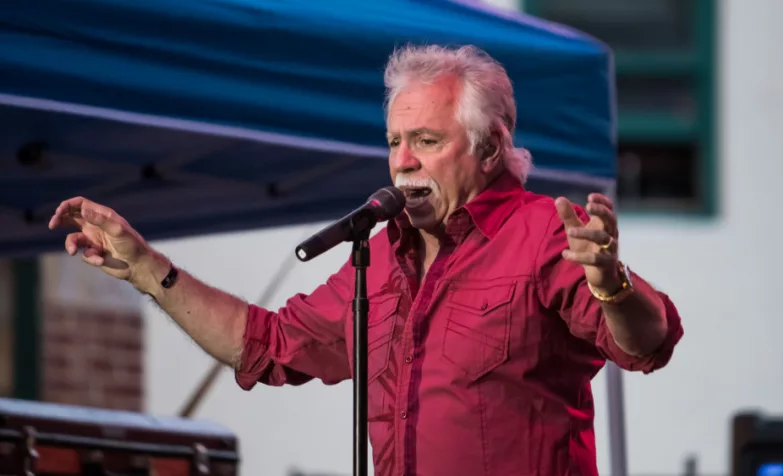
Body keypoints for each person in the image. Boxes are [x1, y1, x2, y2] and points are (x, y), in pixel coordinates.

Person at [49, 44, 683, 476]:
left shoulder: (543, 232)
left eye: (426, 141)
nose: (402, 160)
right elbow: (265, 344)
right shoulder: (378, 257)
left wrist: (613, 284)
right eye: (395, 142)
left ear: (490, 148)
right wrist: (147, 271)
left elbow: (648, 342)